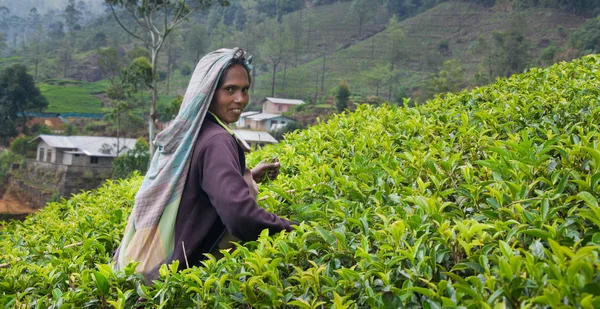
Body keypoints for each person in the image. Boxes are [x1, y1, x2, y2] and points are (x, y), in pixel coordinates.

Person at [113, 48, 294, 282]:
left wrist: (246, 177)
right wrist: (293, 229)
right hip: (180, 277)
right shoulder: (217, 140)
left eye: (245, 89)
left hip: (144, 271)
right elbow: (240, 217)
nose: (240, 99)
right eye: (230, 89)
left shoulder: (195, 132)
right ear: (209, 91)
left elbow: (195, 184)